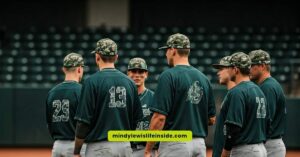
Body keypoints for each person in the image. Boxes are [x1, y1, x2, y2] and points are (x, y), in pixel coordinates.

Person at [144, 33, 216, 157]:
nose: (166, 53)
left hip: (175, 143)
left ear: (173, 50)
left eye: (167, 50)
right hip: (199, 144)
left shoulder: (168, 76)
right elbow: (212, 119)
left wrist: (147, 150)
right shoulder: (204, 78)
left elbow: (159, 118)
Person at [73, 38, 143, 157]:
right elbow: (136, 119)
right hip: (124, 146)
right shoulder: (130, 83)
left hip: (99, 147)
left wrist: (76, 150)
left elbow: (83, 123)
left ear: (97, 57)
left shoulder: (91, 82)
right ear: (116, 57)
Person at [220, 52, 268, 157]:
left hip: (245, 150)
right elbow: (267, 123)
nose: (227, 70)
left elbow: (234, 127)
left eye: (229, 67)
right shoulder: (259, 90)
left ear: (236, 69)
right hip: (261, 148)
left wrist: (226, 151)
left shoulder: (237, 91)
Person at [46, 52, 86, 157]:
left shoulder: (52, 92)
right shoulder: (82, 91)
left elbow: (49, 124)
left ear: (64, 69)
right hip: (76, 146)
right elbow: (85, 122)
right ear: (79, 69)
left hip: (57, 146)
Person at [249, 49, 287, 157]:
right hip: (270, 142)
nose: (249, 69)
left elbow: (265, 119)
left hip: (270, 144)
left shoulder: (268, 87)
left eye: (252, 65)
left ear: (262, 66)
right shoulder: (268, 85)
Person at [127, 57, 158, 157]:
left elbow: (159, 124)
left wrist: (157, 147)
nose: (137, 75)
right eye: (133, 71)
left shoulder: (154, 97)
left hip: (146, 149)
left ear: (146, 74)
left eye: (141, 72)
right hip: (125, 148)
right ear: (128, 73)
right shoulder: (122, 98)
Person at [211, 56, 236, 157]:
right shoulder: (231, 94)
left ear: (232, 70)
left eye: (221, 69)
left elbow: (234, 130)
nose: (218, 72)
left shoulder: (236, 95)